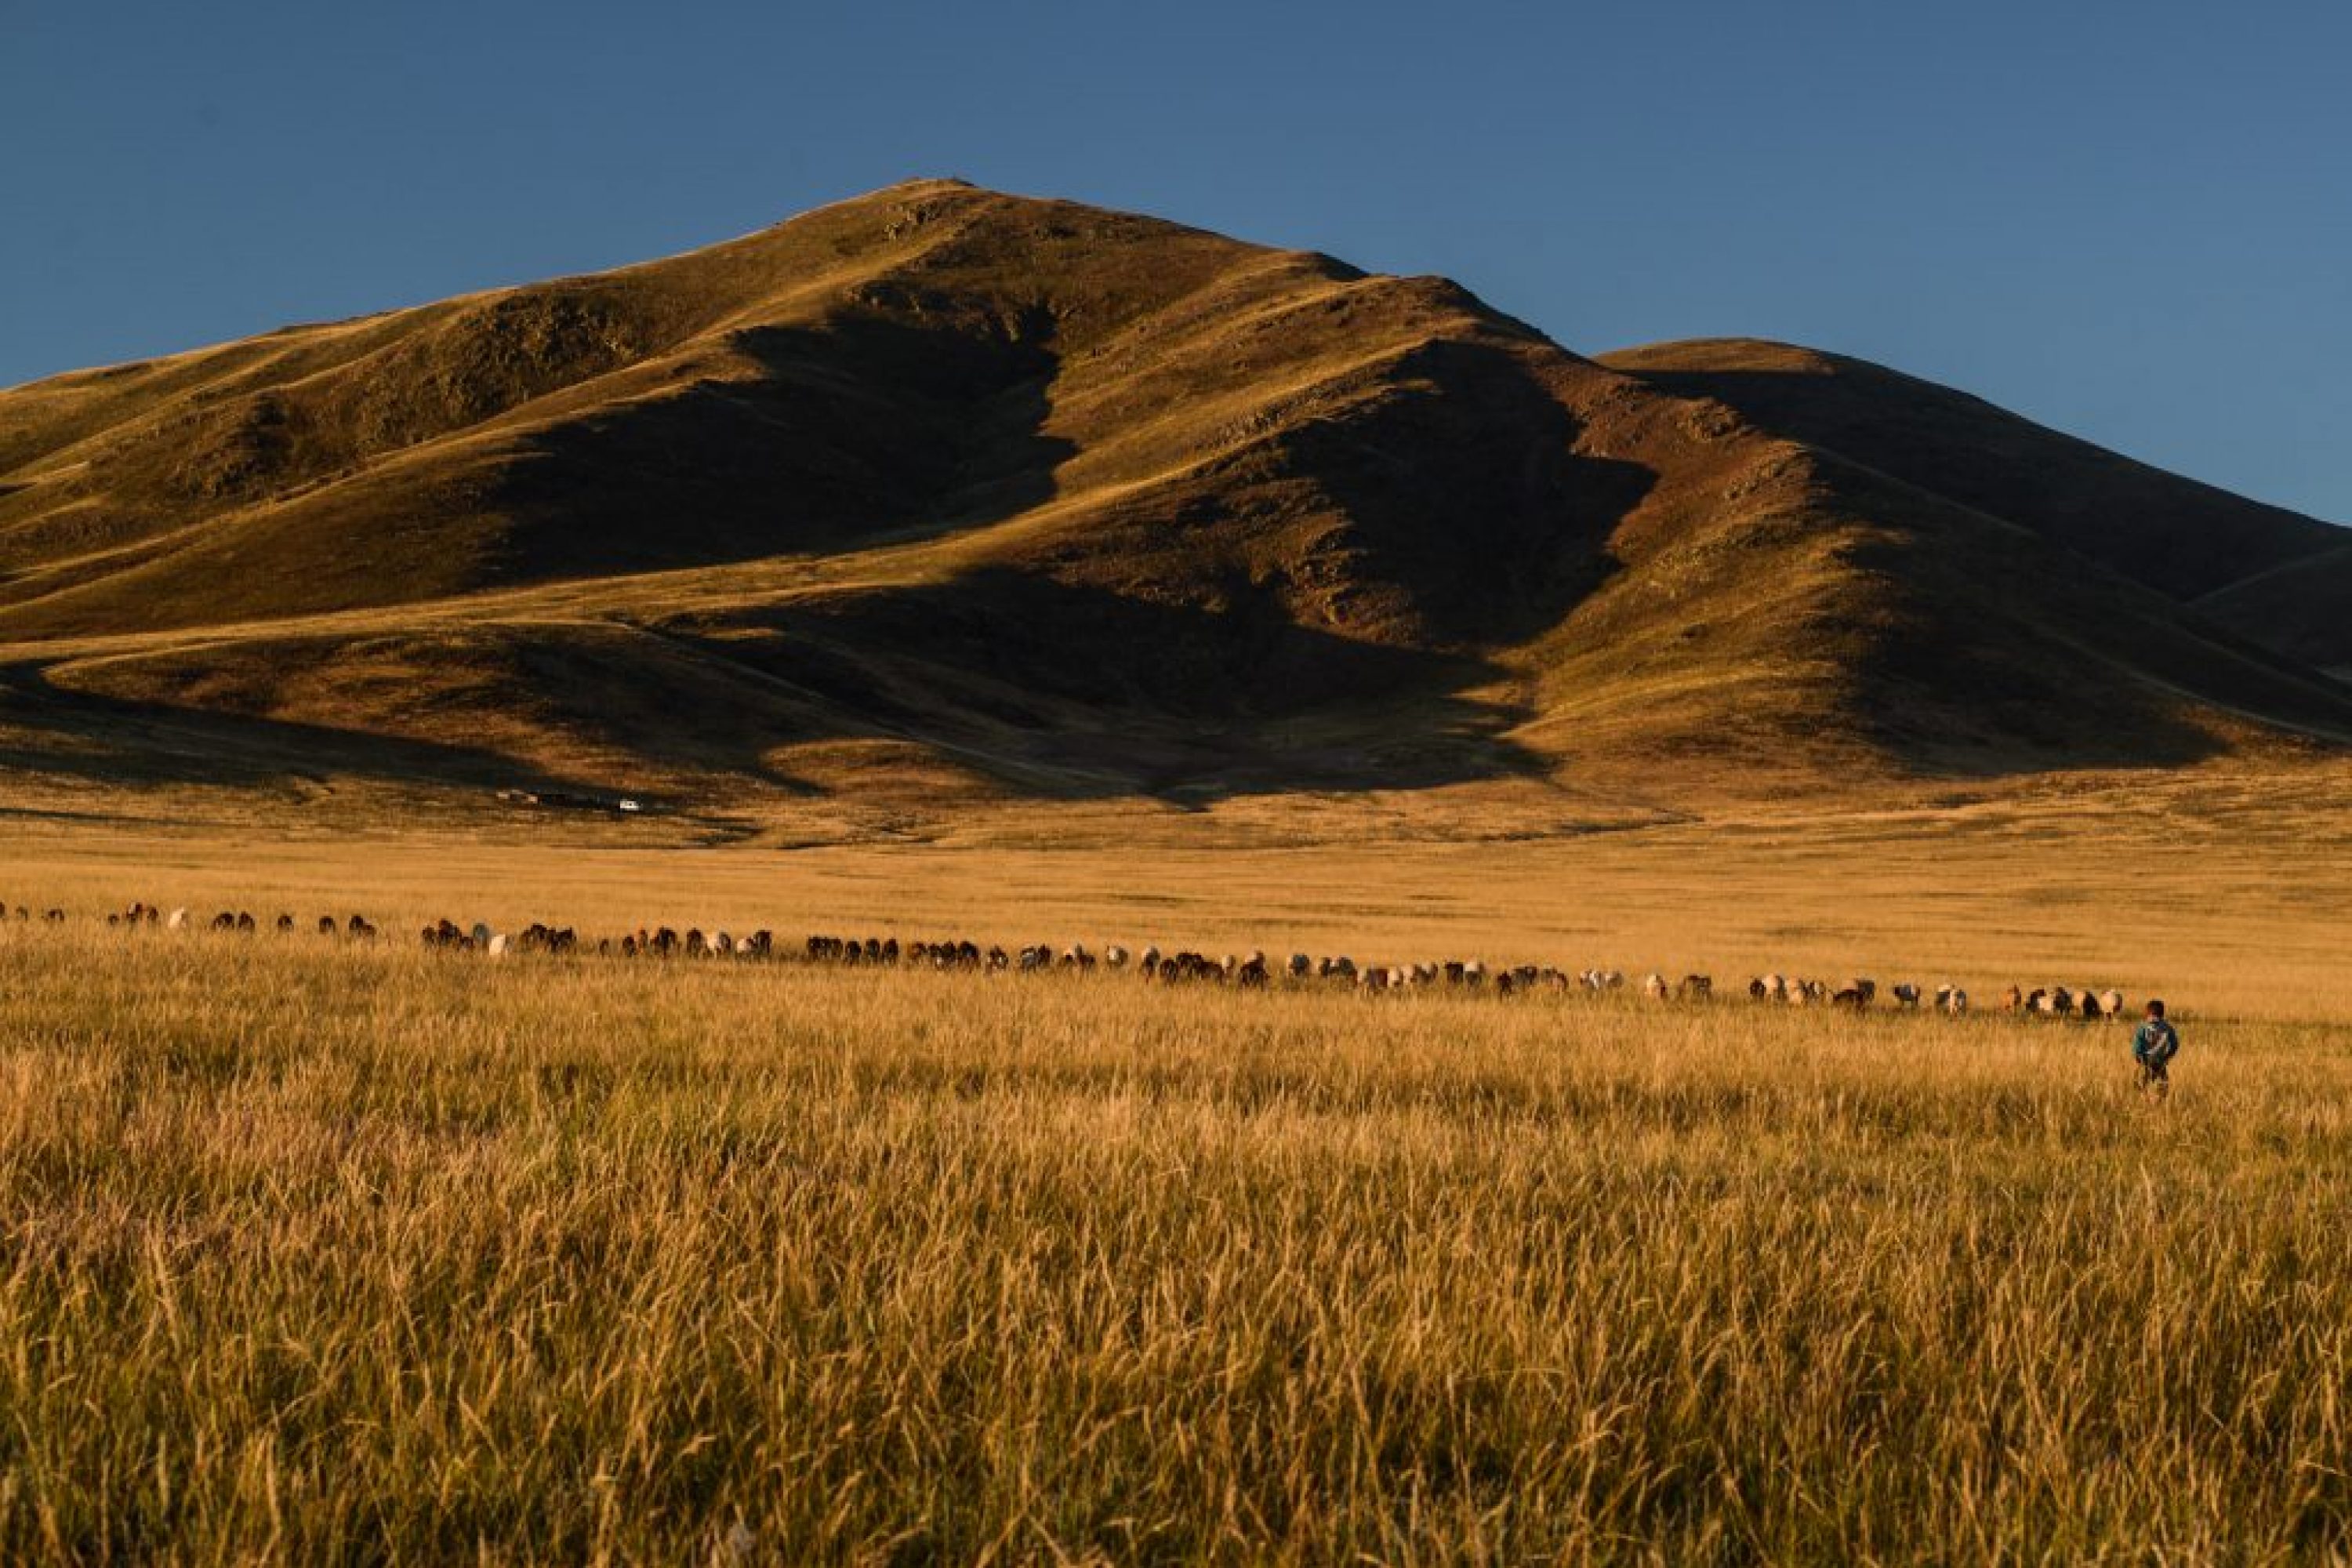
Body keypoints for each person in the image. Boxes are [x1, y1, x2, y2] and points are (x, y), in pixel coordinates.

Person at [2132, 999, 2180, 1098]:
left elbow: (2137, 1044)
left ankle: (2145, 1099)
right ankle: (2159, 1100)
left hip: (2145, 1060)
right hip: (2160, 1060)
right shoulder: (2167, 1027)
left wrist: (2138, 1056)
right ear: (2162, 1015)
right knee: (2163, 1082)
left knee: (2141, 1082)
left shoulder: (2143, 1028)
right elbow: (2175, 1044)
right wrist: (2169, 1055)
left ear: (2147, 1014)